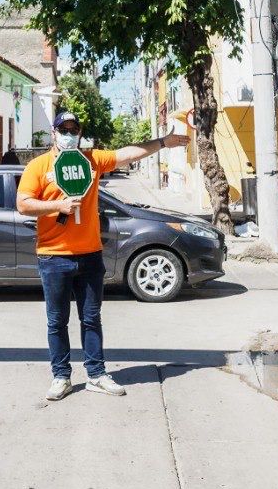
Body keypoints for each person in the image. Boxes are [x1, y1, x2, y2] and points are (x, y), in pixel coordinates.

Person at [17, 112, 187, 401]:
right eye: (64, 129)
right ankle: (61, 376)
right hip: (53, 256)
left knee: (91, 318)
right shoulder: (39, 166)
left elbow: (126, 154)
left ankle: (96, 374)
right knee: (57, 321)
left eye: (74, 129)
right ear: (54, 133)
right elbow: (23, 204)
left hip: (90, 255)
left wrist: (162, 142)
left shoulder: (91, 160)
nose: (69, 133)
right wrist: (57, 206)